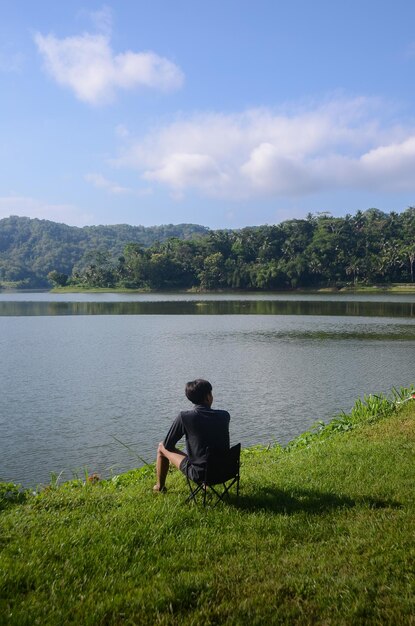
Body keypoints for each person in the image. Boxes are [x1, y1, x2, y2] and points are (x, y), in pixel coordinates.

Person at [154, 379, 230, 492]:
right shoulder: (225, 415)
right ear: (208, 397)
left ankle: (159, 487)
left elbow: (168, 445)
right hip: (226, 471)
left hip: (200, 474)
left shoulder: (185, 417)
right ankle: (205, 480)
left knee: (161, 447)